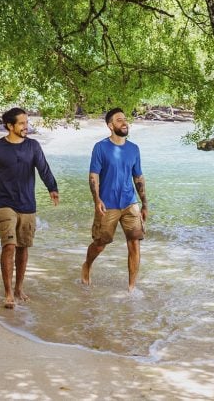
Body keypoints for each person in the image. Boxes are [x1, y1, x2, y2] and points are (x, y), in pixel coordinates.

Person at [0, 107, 59, 308]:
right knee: (10, 245)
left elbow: (43, 168)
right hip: (4, 203)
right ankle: (7, 293)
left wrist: (52, 187)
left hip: (27, 204)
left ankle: (19, 288)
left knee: (23, 248)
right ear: (10, 126)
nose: (26, 126)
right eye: (21, 123)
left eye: (26, 122)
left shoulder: (33, 146)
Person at [81, 107, 148, 291]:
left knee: (134, 242)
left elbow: (138, 178)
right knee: (100, 244)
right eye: (119, 120)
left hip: (130, 203)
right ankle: (87, 265)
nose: (124, 123)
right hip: (107, 204)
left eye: (125, 119)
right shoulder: (100, 147)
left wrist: (144, 204)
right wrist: (97, 201)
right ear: (110, 126)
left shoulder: (134, 149)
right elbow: (93, 176)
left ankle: (131, 287)